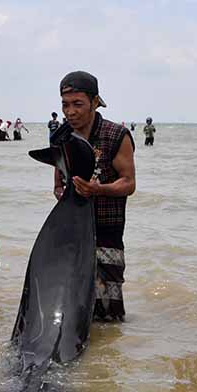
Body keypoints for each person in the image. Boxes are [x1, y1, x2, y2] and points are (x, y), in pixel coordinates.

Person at [54, 71, 136, 321]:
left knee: (109, 308)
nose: (70, 112)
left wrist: (98, 189)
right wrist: (63, 194)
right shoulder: (62, 137)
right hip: (72, 231)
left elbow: (129, 183)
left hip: (107, 230)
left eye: (77, 104)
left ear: (95, 102)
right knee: (72, 300)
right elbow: (58, 183)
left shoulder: (116, 135)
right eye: (65, 105)